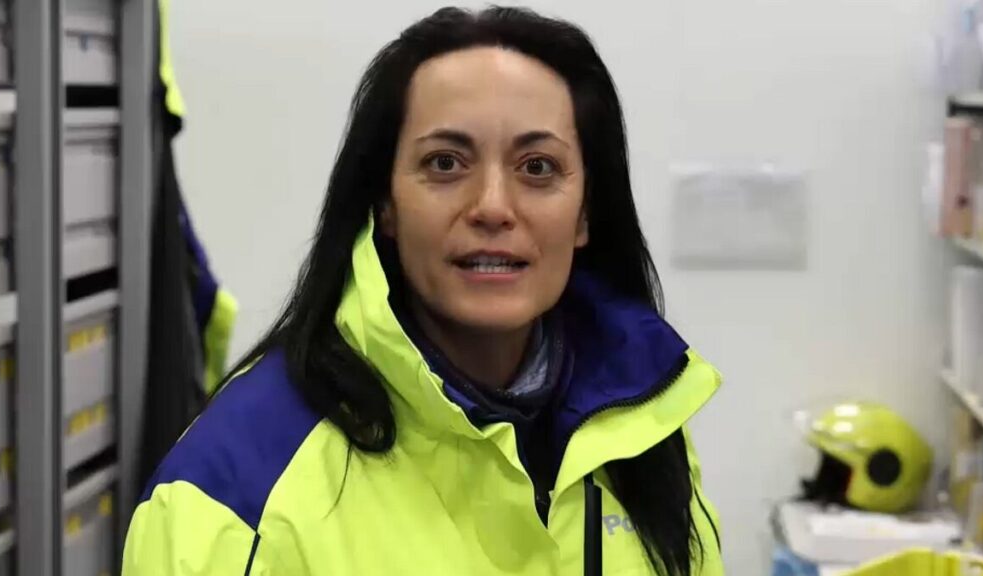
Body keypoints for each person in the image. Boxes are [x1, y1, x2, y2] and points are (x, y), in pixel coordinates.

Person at [123, 6, 724, 576]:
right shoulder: (234, 492)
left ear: (586, 211)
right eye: (445, 163)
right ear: (385, 202)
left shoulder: (640, 425)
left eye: (538, 167)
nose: (493, 206)